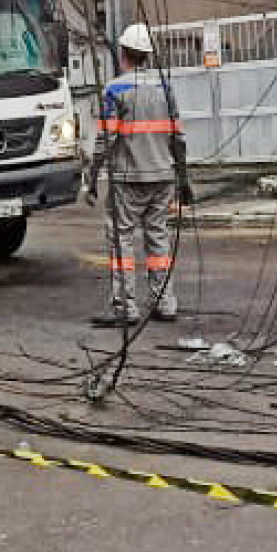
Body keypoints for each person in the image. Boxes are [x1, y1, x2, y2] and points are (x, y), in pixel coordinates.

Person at [90, 22, 193, 329]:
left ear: (123, 52)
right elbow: (178, 137)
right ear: (147, 55)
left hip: (128, 178)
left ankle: (125, 305)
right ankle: (165, 301)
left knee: (121, 239)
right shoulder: (165, 87)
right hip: (163, 176)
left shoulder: (115, 89)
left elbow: (106, 139)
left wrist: (92, 175)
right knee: (158, 237)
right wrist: (184, 179)